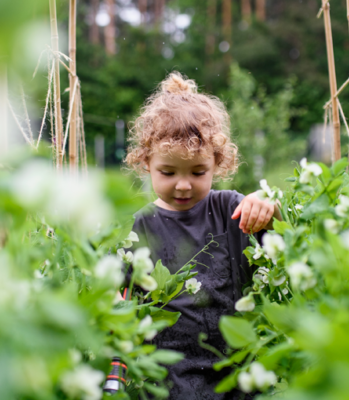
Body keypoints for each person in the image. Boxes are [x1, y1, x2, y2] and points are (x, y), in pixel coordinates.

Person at [114, 72, 282, 399]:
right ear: (146, 163)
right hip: (167, 381)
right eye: (168, 172)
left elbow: (281, 229)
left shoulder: (230, 210)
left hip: (236, 376)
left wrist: (267, 207)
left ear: (217, 163)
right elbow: (114, 291)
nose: (183, 184)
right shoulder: (138, 229)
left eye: (197, 172)